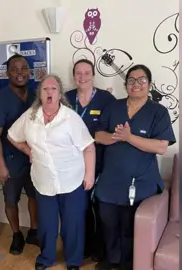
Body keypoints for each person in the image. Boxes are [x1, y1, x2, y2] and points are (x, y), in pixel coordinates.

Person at [7, 74, 96, 270]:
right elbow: (12, 135)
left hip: (71, 179)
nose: (49, 92)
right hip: (43, 180)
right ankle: (46, 258)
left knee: (72, 224)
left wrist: (89, 175)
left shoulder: (70, 118)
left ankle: (73, 261)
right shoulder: (31, 116)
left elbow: (89, 147)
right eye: (45, 89)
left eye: (53, 89)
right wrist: (27, 150)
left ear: (59, 94)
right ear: (39, 93)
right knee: (47, 224)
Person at [93, 64, 176, 270]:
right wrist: (116, 136)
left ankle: (129, 263)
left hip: (141, 182)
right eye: (131, 80)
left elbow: (161, 146)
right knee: (108, 223)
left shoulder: (158, 111)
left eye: (141, 80)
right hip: (110, 181)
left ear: (149, 84)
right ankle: (111, 260)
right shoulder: (114, 107)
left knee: (131, 227)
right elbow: (97, 135)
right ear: (126, 84)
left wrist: (129, 138)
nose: (136, 84)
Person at [0, 54, 39, 255]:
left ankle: (34, 231)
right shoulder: (0, 100)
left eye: (24, 68)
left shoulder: (36, 95)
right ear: (7, 73)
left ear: (30, 72)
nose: (20, 73)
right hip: (10, 160)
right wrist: (1, 165)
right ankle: (17, 234)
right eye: (15, 69)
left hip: (33, 159)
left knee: (35, 197)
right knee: (11, 200)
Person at [65, 59, 116, 262]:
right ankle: (84, 247)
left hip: (100, 163)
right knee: (80, 208)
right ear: (73, 75)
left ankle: (100, 250)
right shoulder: (66, 98)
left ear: (93, 76)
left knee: (100, 208)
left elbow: (111, 133)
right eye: (78, 73)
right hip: (72, 165)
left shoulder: (106, 99)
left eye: (87, 73)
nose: (82, 77)